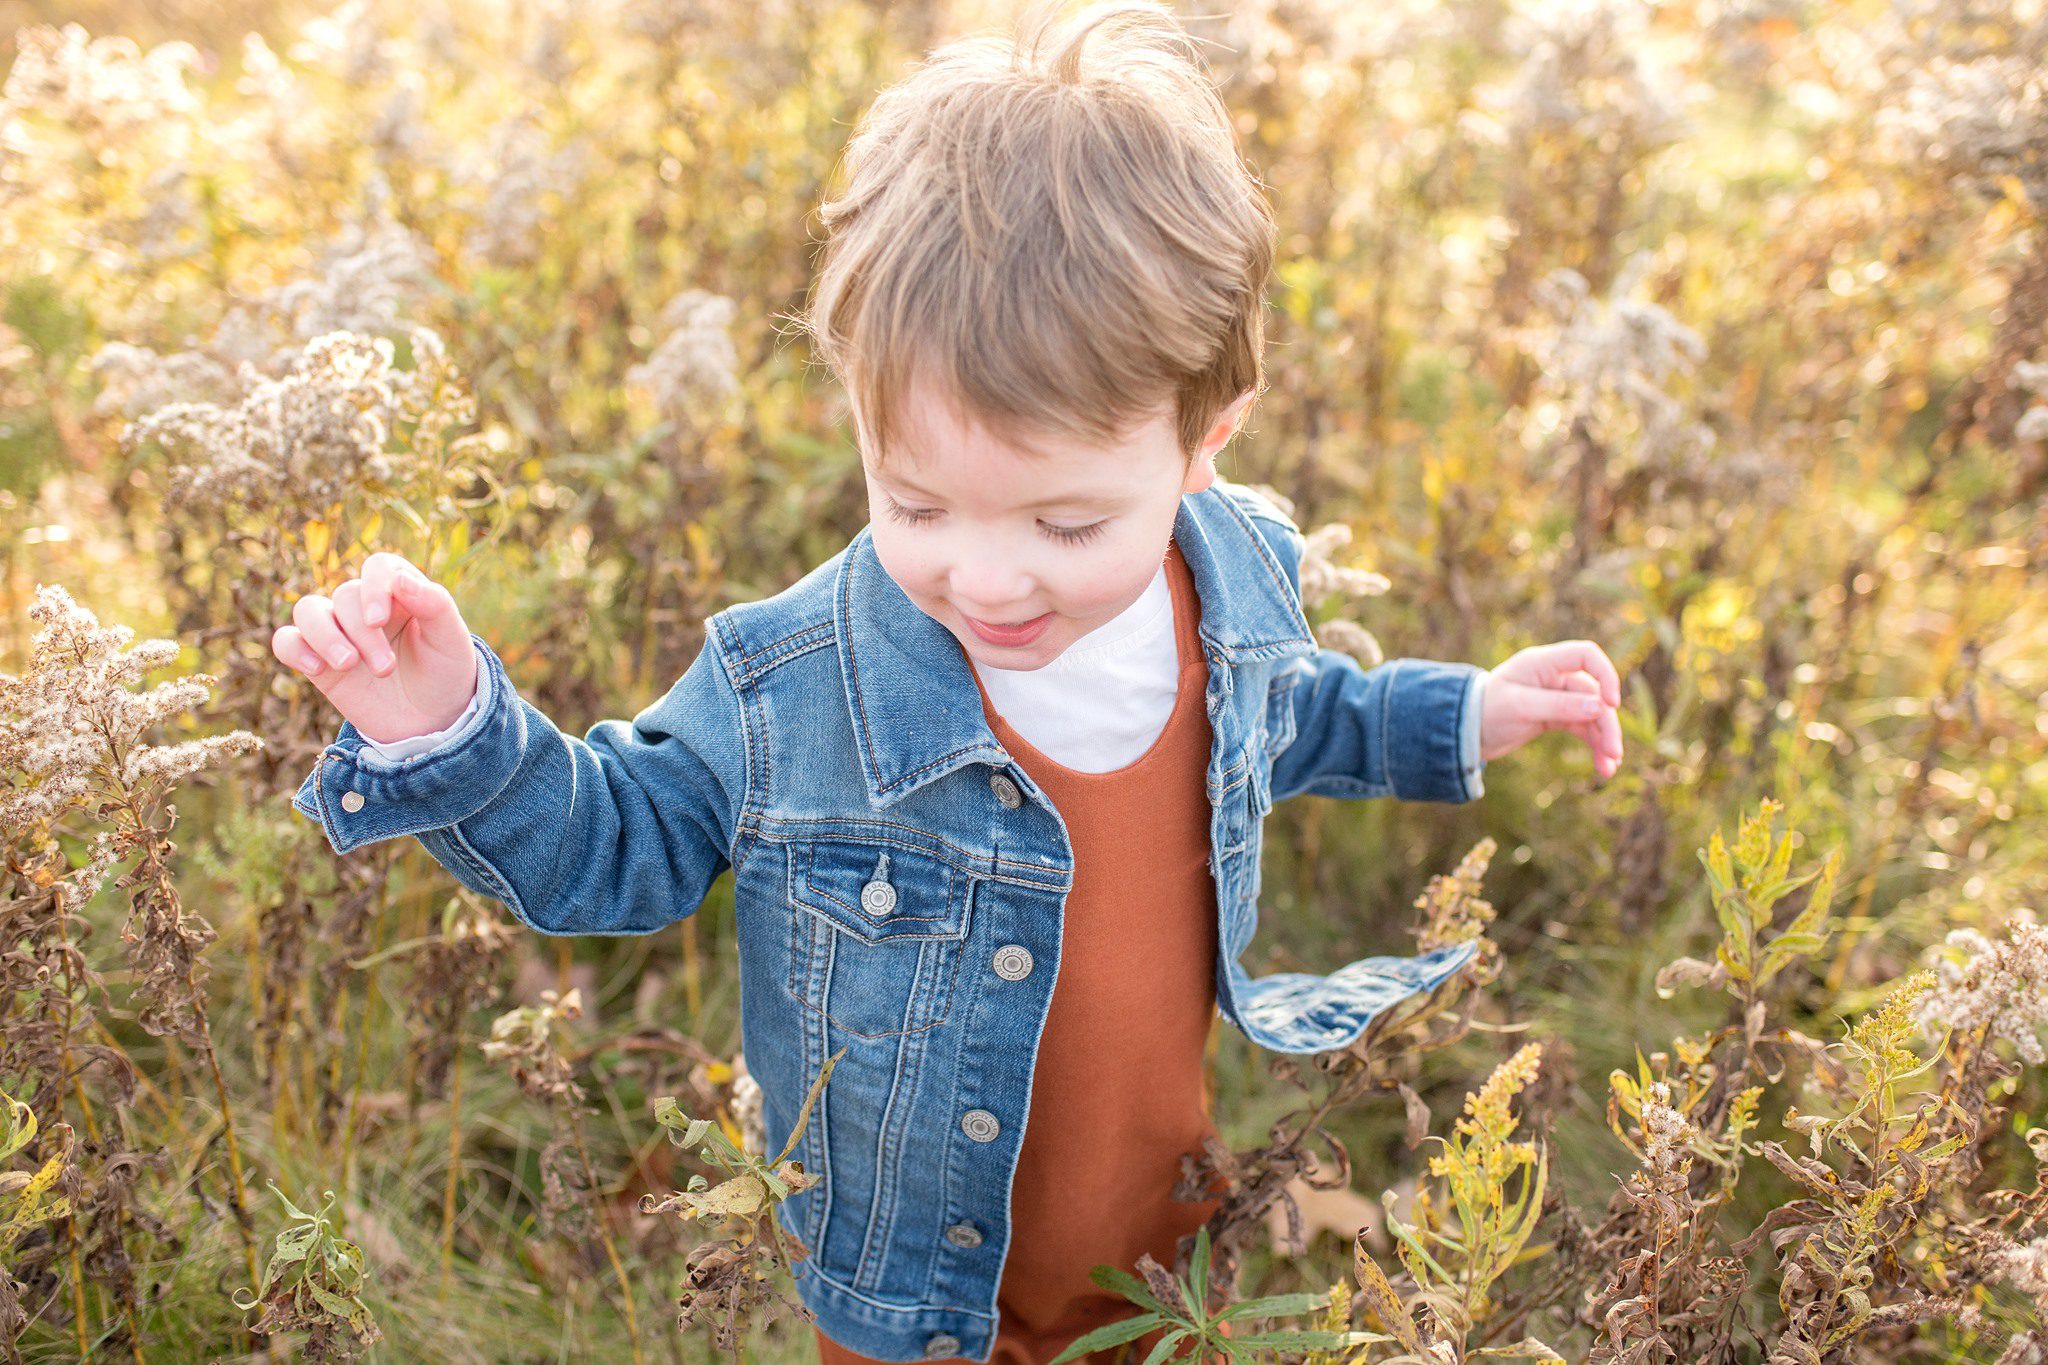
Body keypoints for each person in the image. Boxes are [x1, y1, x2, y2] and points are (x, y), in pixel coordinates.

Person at [273, 2, 1624, 1360]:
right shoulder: (796, 681)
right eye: (917, 504)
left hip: (1160, 1251)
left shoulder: (1230, 572)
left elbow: (1298, 712)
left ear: (1203, 440)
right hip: (913, 1292)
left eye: (1066, 525)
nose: (985, 581)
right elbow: (612, 847)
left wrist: (1468, 709)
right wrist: (449, 730)